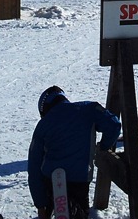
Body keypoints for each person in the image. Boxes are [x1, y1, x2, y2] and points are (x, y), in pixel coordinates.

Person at [28, 85, 121, 219]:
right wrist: (104, 146)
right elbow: (114, 125)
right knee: (79, 212)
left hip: (51, 180)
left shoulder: (43, 125)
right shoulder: (88, 109)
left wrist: (40, 205)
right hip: (80, 178)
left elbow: (34, 167)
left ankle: (53, 208)